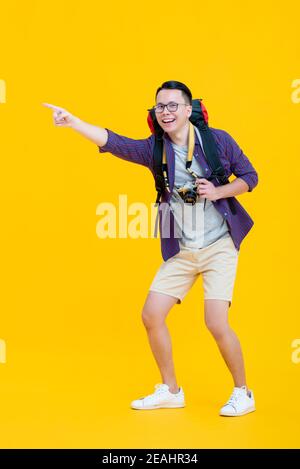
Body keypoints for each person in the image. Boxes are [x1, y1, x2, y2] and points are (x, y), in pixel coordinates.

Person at [43, 80, 258, 416]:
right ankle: (171, 390)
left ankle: (243, 392)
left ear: (189, 110)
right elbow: (115, 143)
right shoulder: (154, 150)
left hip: (219, 245)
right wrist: (74, 123)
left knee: (215, 322)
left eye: (173, 105)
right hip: (183, 249)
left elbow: (250, 177)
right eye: (160, 106)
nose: (166, 112)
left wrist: (219, 192)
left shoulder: (218, 141)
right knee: (151, 315)